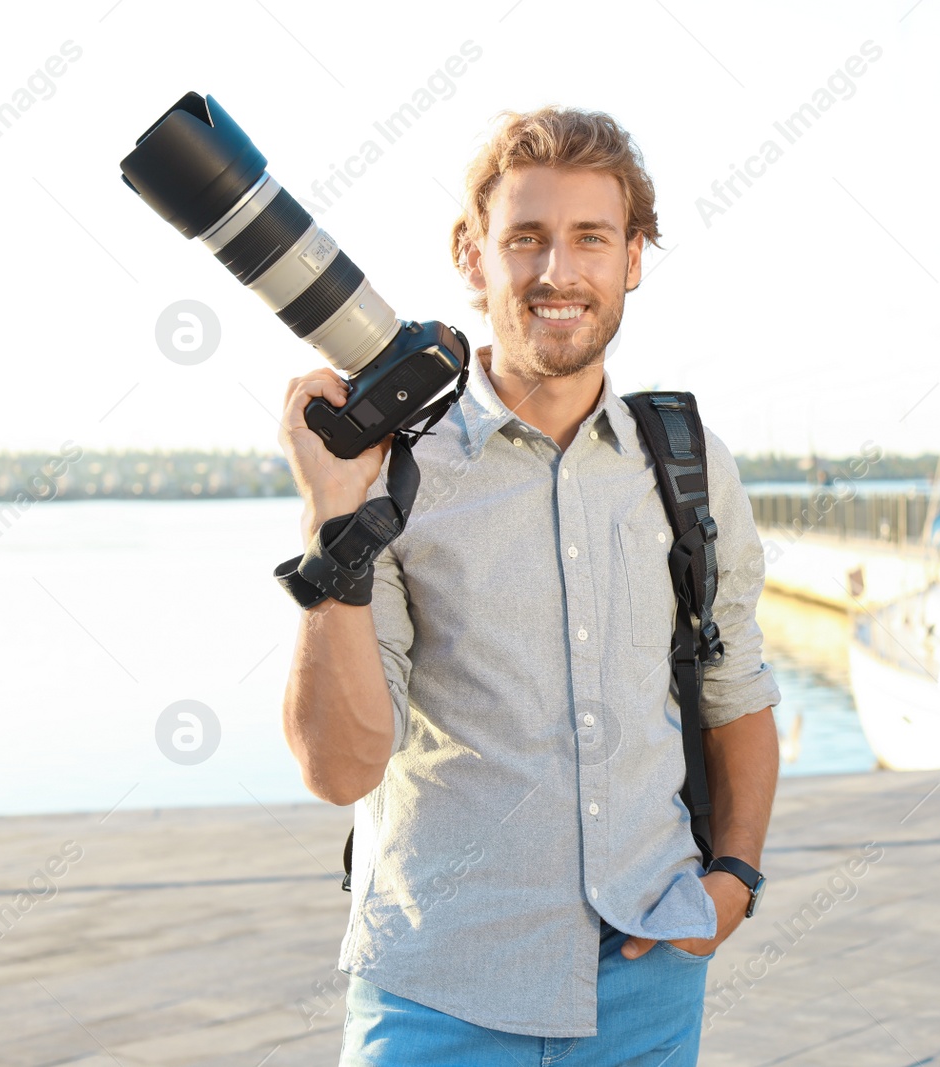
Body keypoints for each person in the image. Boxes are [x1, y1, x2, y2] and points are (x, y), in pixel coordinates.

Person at [276, 105, 781, 1067]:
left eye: (591, 238)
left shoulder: (687, 462)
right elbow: (339, 770)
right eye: (526, 240)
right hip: (436, 994)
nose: (559, 273)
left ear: (634, 256)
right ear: (473, 256)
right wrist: (330, 523)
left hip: (648, 982)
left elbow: (737, 691)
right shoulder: (389, 470)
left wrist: (736, 880)